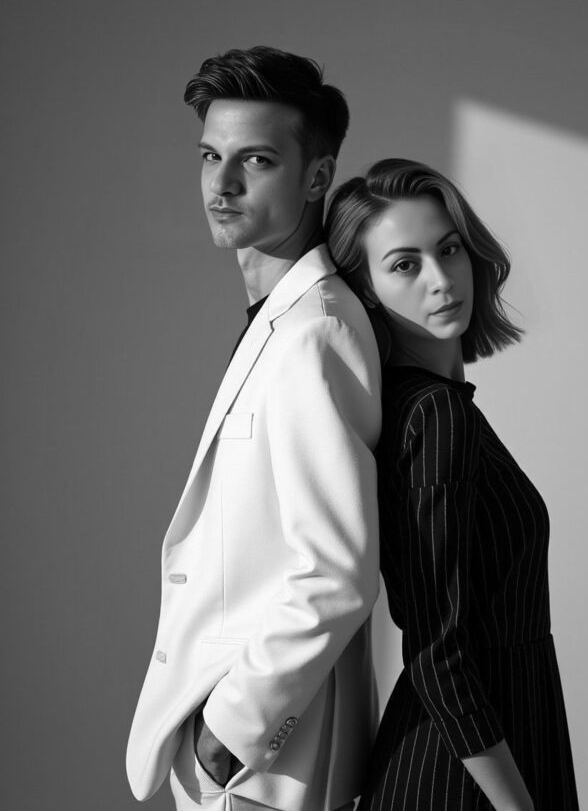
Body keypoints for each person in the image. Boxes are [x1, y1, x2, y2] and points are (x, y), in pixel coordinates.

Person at [126, 47, 382, 811]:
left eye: (256, 160)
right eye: (211, 157)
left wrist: (229, 735)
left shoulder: (315, 332)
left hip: (265, 767)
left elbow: (337, 570)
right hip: (240, 755)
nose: (222, 184)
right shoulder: (282, 322)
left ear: (317, 176)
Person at [325, 158, 579, 810]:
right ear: (366, 289)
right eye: (404, 265)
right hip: (463, 772)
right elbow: (437, 649)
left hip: (492, 743)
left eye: (448, 249)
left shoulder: (430, 407)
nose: (441, 280)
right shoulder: (436, 416)